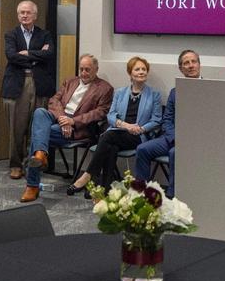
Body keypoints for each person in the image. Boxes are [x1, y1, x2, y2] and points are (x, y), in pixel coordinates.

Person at [20, 54, 113, 202]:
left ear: (96, 69)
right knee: (40, 113)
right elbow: (54, 100)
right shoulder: (70, 81)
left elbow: (100, 113)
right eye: (81, 69)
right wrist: (63, 119)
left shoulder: (105, 88)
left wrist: (73, 121)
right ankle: (40, 155)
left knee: (39, 134)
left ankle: (32, 184)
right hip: (60, 118)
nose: (83, 73)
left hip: (78, 128)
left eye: (87, 70)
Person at [68, 56, 161, 195]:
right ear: (130, 73)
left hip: (138, 136)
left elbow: (156, 120)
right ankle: (105, 189)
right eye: (137, 69)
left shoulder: (154, 95)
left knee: (107, 137)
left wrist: (140, 128)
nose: (141, 72)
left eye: (144, 69)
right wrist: (125, 125)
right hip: (119, 132)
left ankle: (88, 175)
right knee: (111, 146)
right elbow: (110, 116)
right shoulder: (120, 93)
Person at [134, 49, 201, 199]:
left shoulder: (209, 90)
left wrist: (187, 140)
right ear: (181, 68)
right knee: (142, 149)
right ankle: (141, 195)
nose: (190, 66)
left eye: (193, 62)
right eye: (186, 63)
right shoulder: (174, 92)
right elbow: (167, 120)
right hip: (172, 138)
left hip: (196, 140)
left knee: (174, 153)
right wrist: (175, 137)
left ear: (199, 65)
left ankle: (172, 197)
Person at [2, 0, 55, 179]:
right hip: (18, 83)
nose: (24, 15)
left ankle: (33, 164)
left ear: (35, 15)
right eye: (21, 13)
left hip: (39, 84)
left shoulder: (45, 34)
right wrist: (36, 56)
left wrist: (26, 53)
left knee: (37, 127)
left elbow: (49, 54)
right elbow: (11, 56)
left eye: (28, 12)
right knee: (17, 127)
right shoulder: (11, 34)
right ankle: (16, 164)